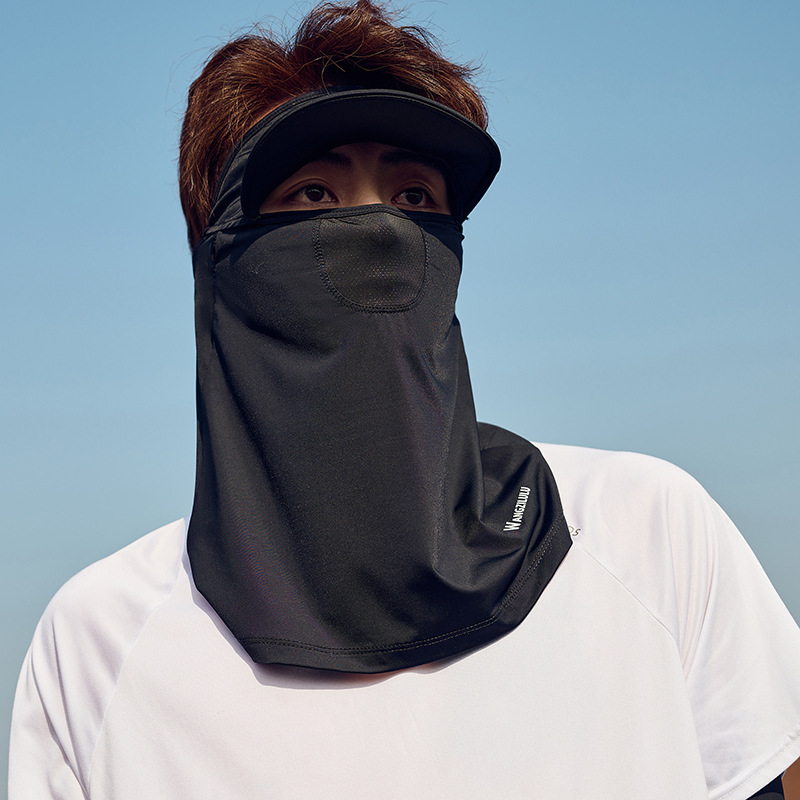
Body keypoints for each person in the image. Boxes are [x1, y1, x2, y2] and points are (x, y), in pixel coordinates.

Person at [9, 2, 800, 797]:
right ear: (223, 260)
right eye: (313, 194)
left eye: (416, 198)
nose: (381, 231)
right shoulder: (98, 643)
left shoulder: (644, 532)